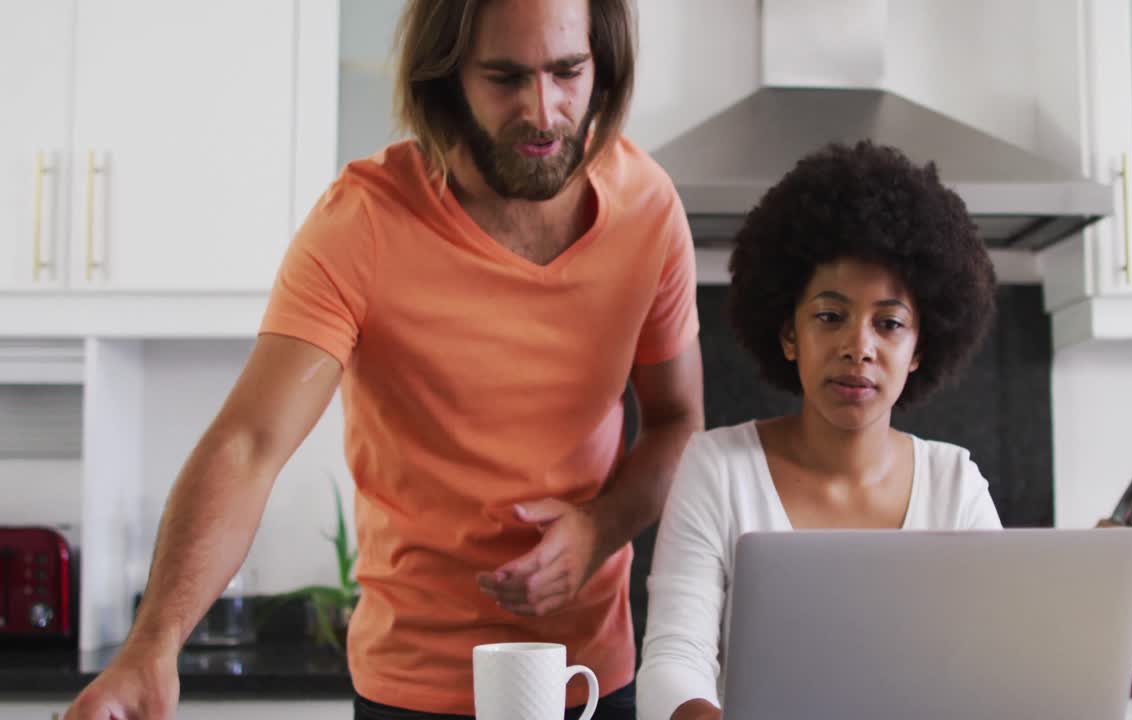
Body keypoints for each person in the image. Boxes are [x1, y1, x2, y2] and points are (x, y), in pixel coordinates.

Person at [65, 1, 703, 718]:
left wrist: (597, 529)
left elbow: (677, 423)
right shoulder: (363, 222)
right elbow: (248, 445)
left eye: (567, 71)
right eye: (504, 77)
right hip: (411, 691)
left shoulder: (648, 210)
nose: (543, 109)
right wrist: (152, 646)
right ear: (448, 76)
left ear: (602, 63)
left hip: (586, 680)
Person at [634, 141, 1001, 720]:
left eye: (889, 323)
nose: (859, 347)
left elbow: (997, 667)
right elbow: (674, 660)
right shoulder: (718, 468)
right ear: (789, 334)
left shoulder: (955, 484)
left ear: (917, 350)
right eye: (830, 316)